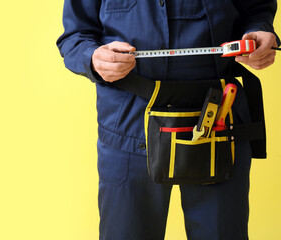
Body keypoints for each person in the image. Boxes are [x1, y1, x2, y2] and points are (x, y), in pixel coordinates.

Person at [57, 0, 279, 239]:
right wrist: (92, 58)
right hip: (128, 128)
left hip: (219, 123)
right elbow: (75, 36)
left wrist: (260, 31)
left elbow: (257, 9)